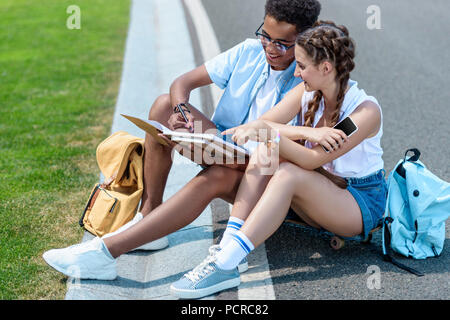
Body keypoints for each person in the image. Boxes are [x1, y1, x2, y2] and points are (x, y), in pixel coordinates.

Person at [42, 0, 322, 280]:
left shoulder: (308, 79)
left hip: (262, 176)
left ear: (304, 39)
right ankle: (149, 213)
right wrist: (182, 114)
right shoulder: (249, 52)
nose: (271, 49)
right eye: (266, 36)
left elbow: (295, 154)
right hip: (223, 147)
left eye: (283, 44)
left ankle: (104, 253)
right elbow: (181, 83)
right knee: (163, 105)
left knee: (219, 174)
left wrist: (238, 154)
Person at [169, 20, 388, 299]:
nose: (296, 73)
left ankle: (226, 264)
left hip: (357, 202)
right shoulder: (308, 91)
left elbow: (310, 159)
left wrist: (268, 133)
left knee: (285, 169)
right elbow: (264, 123)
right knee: (268, 150)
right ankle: (228, 248)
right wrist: (284, 132)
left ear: (326, 68)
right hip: (323, 192)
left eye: (302, 66)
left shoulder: (363, 113)